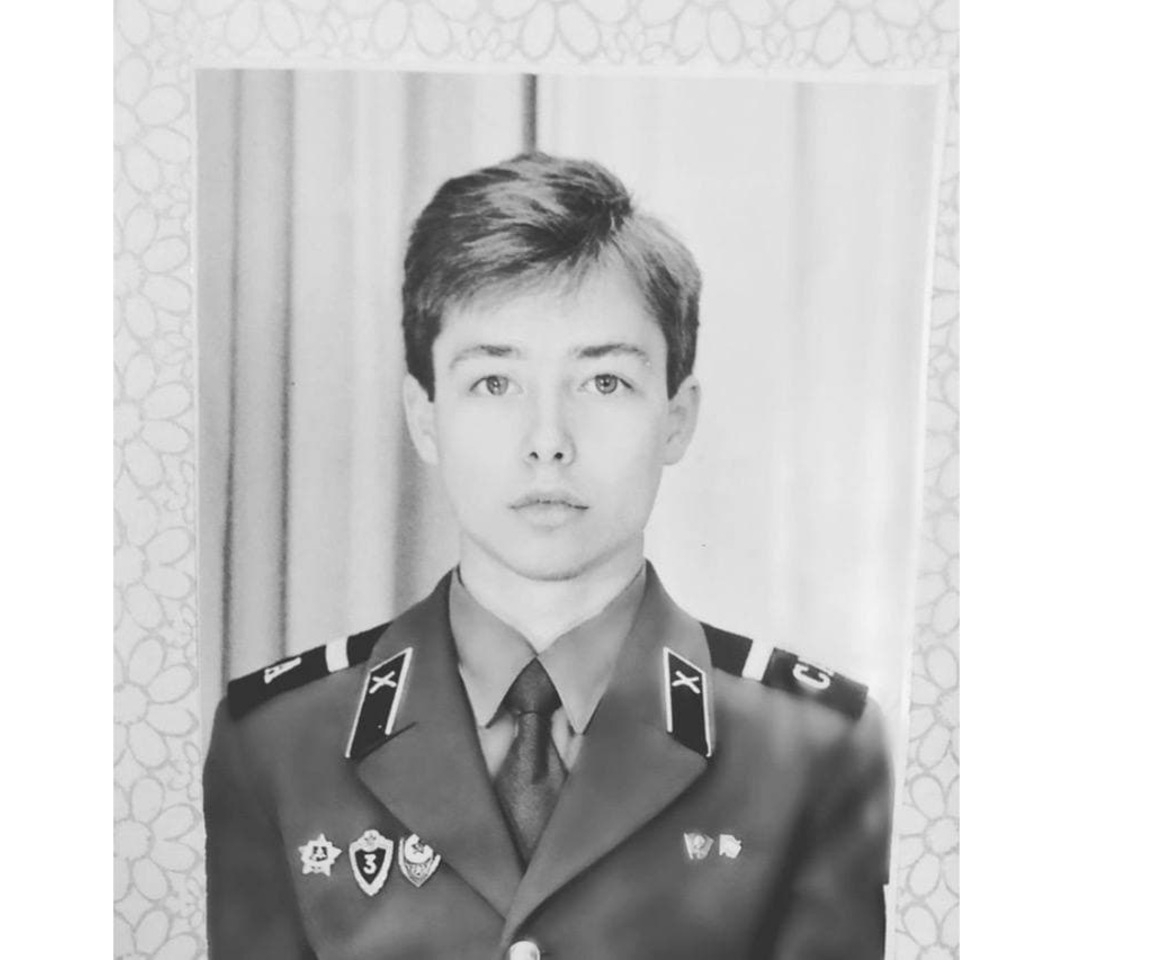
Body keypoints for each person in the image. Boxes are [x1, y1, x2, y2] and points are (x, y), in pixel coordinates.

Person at [203, 152, 893, 960]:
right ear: (424, 416)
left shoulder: (814, 751)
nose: (548, 442)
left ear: (676, 418)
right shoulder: (279, 741)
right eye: (495, 383)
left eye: (604, 383)